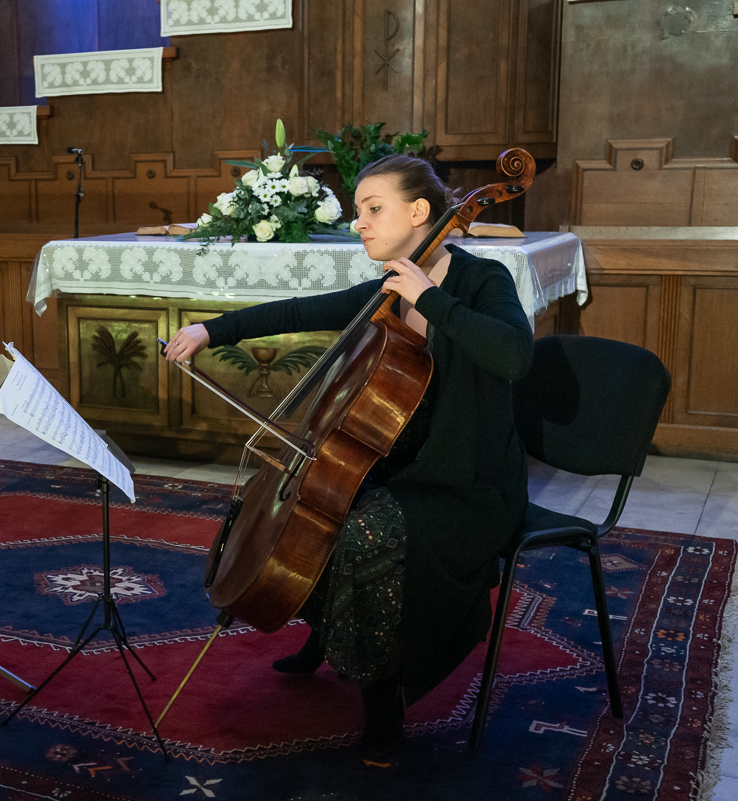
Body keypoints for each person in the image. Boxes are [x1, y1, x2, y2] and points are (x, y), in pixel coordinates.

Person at [162, 155, 533, 756]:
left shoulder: (480, 280)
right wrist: (212, 330)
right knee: (318, 506)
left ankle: (383, 699)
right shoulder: (387, 289)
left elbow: (514, 356)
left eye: (373, 209)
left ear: (420, 211)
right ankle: (327, 633)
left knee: (362, 532)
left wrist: (430, 299)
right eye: (359, 210)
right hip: (404, 468)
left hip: (468, 484)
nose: (359, 223)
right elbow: (302, 311)